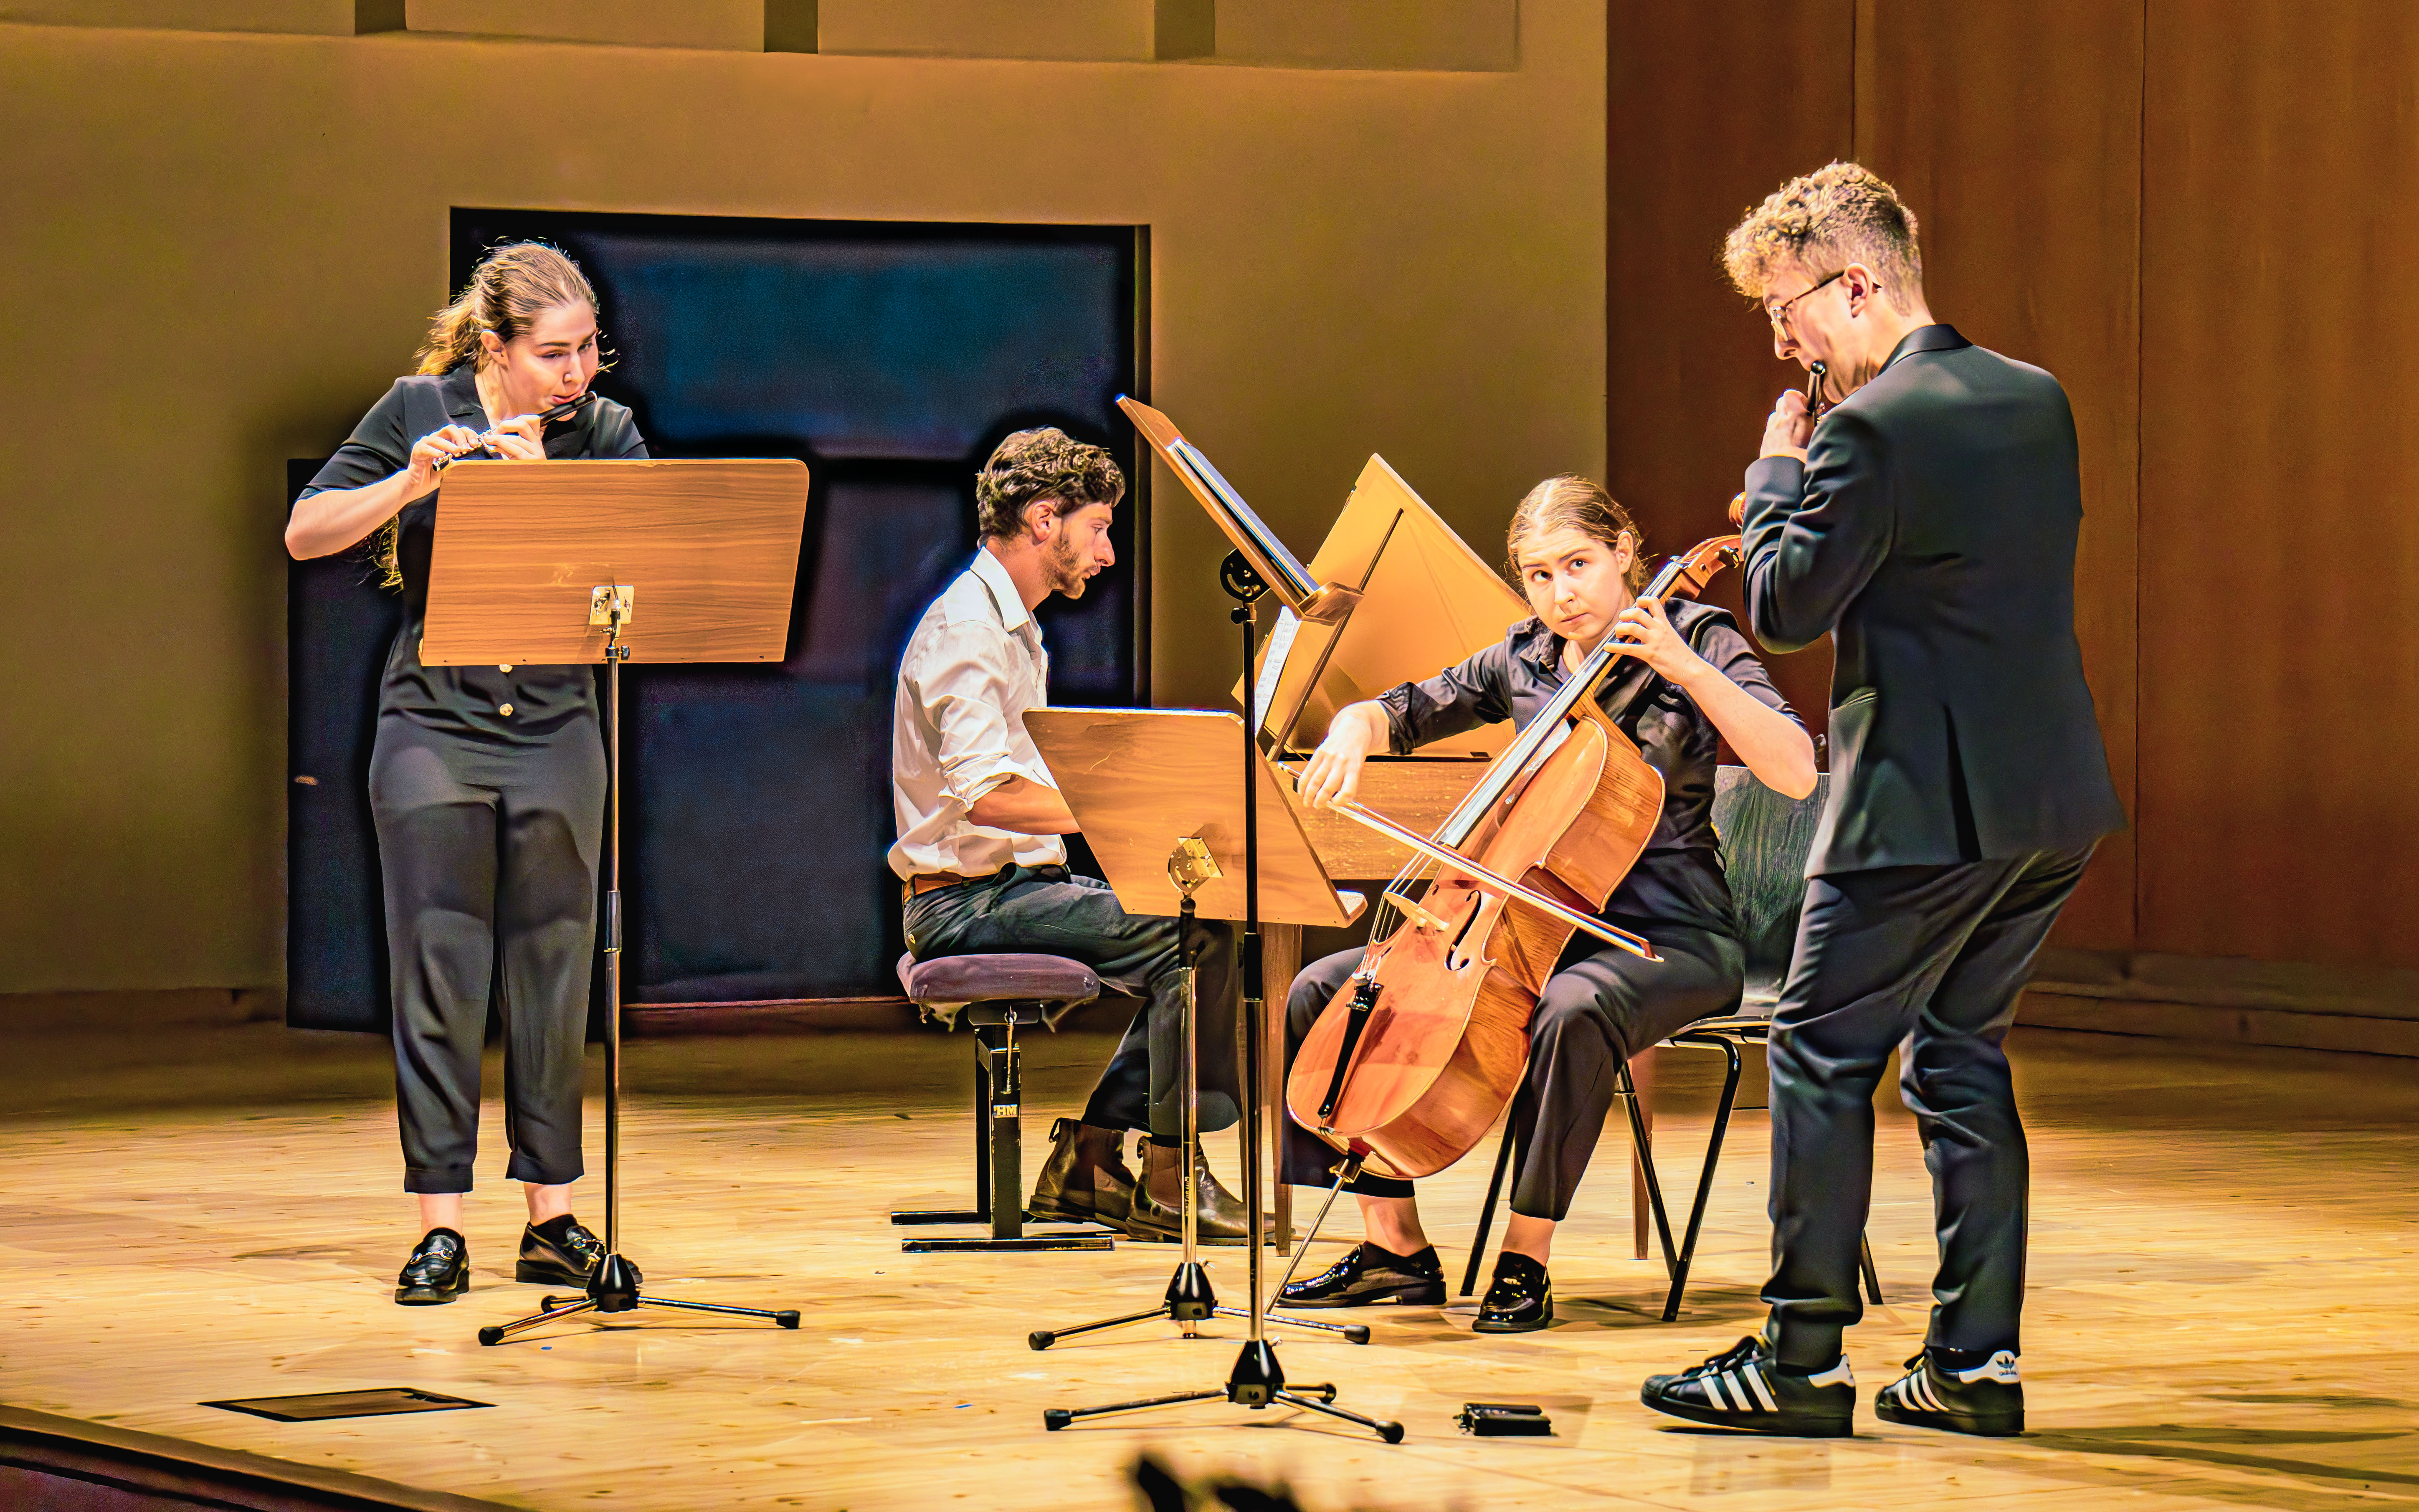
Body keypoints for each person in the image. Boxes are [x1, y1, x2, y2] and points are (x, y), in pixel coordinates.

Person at [1640, 164, 2125, 1437]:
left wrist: (1770, 474)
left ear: (1853, 281)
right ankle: (1974, 1363)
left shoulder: (1868, 429)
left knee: (1816, 1051)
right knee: (1961, 1058)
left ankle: (1798, 1360)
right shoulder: (2036, 397)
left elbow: (1789, 606)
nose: (1783, 338)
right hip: (2049, 799)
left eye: (1784, 307)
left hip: (1919, 802)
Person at [1274, 475, 1817, 1331]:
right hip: (1530, 928)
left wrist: (1676, 661)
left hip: (1670, 935)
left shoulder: (1700, 637)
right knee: (1325, 992)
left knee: (1571, 1009)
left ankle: (1524, 1259)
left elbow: (1793, 767)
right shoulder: (1521, 657)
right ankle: (1395, 1248)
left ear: (1623, 553)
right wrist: (1356, 724)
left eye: (1578, 564)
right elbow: (1408, 709)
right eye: (1538, 574)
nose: (1561, 592)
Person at [286, 243, 647, 1305]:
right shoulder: (419, 406)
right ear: (495, 347)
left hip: (556, 723)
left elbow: (640, 568)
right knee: (439, 966)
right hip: (432, 722)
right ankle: (438, 1224)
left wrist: (544, 498)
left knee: (553, 966)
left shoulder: (607, 434)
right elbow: (307, 532)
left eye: (589, 350)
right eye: (553, 354)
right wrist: (412, 481)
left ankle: (554, 1214)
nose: (577, 373)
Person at [889, 428, 1254, 1243]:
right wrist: (1132, 810)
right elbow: (988, 795)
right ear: (1045, 519)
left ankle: (1090, 1159)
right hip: (966, 903)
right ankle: (1165, 1175)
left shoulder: (1005, 624)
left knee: (1200, 922)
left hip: (1008, 889)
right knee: (1190, 937)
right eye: (1097, 528)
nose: (1108, 553)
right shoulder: (969, 634)